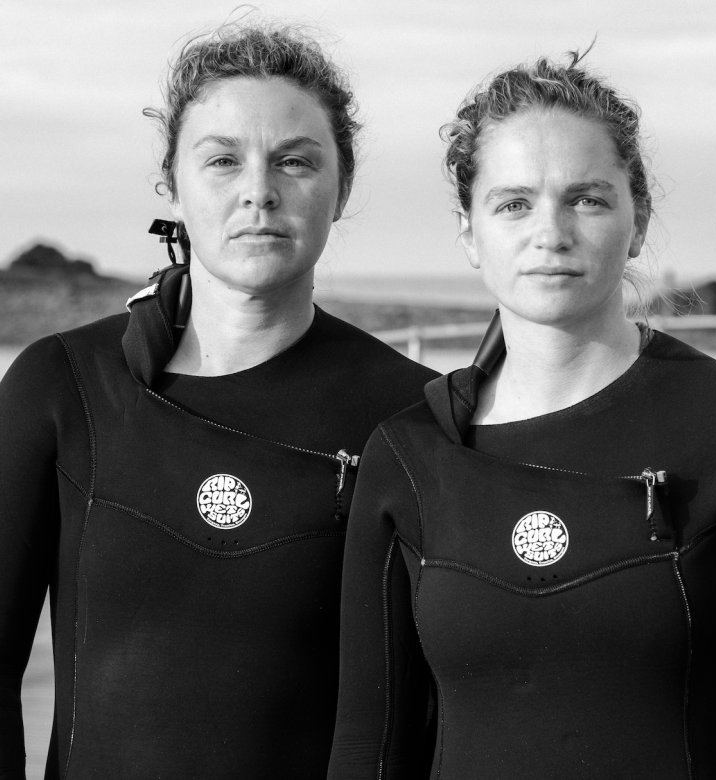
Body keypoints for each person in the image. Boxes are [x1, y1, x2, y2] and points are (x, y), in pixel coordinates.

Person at [0, 20, 437, 780]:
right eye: (223, 160)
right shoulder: (63, 384)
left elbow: (417, 717)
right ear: (171, 182)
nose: (258, 192)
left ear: (343, 187)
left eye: (295, 161)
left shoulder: (408, 415)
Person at [327, 50, 716, 780]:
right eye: (513, 203)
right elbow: (367, 750)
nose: (552, 232)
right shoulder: (409, 454)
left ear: (638, 223)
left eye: (588, 199)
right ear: (471, 234)